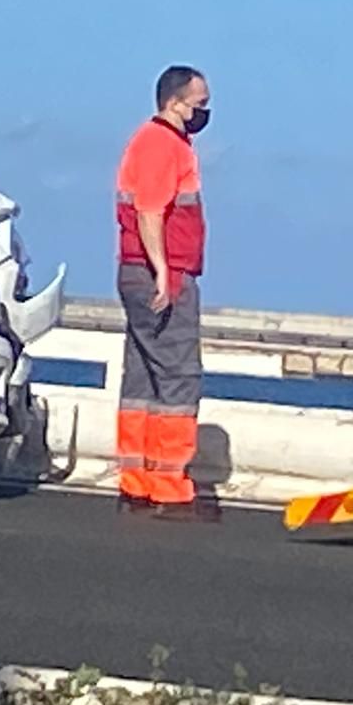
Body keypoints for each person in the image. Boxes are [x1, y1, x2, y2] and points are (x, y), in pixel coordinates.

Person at [113, 65, 221, 521]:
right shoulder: (162, 144)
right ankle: (169, 486)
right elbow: (150, 212)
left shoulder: (151, 141)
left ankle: (136, 480)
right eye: (200, 104)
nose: (205, 112)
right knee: (178, 376)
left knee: (144, 379)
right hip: (162, 272)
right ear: (175, 102)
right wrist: (163, 273)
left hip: (139, 270)